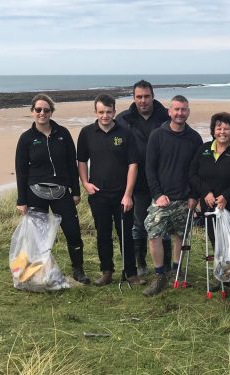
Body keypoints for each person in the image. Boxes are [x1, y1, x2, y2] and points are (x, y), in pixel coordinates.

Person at [15, 94, 90, 284]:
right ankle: (37, 274)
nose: (42, 113)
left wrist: (75, 191)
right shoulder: (26, 139)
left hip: (61, 191)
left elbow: (71, 165)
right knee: (38, 237)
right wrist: (21, 200)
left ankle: (78, 270)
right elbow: (21, 171)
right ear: (32, 112)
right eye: (38, 110)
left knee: (73, 232)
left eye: (46, 110)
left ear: (51, 112)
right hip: (35, 192)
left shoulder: (63, 134)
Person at [77, 94, 145, 286]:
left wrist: (128, 195)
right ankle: (107, 271)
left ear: (114, 112)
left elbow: (133, 165)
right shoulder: (87, 133)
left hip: (122, 195)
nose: (105, 116)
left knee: (126, 235)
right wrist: (85, 183)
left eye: (109, 112)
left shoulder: (126, 133)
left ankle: (131, 273)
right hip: (98, 194)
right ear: (95, 112)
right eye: (101, 112)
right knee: (103, 234)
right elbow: (81, 161)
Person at [143, 95, 203, 296]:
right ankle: (160, 275)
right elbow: (149, 169)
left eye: (184, 109)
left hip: (185, 199)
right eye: (176, 109)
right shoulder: (157, 135)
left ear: (188, 111)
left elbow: (197, 171)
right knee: (154, 233)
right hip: (162, 199)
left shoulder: (194, 138)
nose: (180, 113)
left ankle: (177, 273)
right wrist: (158, 194)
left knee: (180, 237)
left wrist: (194, 196)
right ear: (169, 111)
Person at [189, 112, 230, 291]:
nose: (222, 131)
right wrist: (205, 192)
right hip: (209, 206)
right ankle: (222, 277)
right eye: (219, 128)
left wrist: (226, 196)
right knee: (216, 242)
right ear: (213, 130)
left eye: (226, 128)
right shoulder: (204, 149)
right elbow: (192, 174)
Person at [116, 80, 172, 276]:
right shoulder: (123, 119)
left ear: (153, 96)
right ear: (133, 98)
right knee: (139, 225)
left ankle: (165, 265)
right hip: (137, 182)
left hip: (163, 181)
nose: (143, 100)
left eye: (146, 96)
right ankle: (140, 263)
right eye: (139, 97)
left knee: (162, 224)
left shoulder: (167, 116)